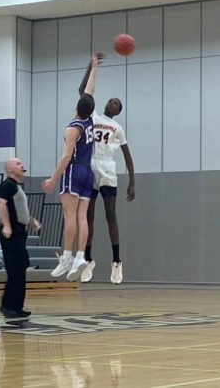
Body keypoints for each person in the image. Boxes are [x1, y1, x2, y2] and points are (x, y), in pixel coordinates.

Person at [77, 53, 135, 284]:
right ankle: (89, 259)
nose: (110, 102)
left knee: (111, 215)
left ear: (118, 110)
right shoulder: (92, 115)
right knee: (88, 216)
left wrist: (132, 181)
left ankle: (116, 261)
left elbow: (127, 156)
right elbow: (83, 92)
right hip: (91, 167)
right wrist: (90, 67)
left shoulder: (117, 128)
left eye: (115, 102)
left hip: (108, 171)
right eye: (110, 100)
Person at [42, 95, 95, 281]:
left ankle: (66, 257)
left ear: (76, 107)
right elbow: (89, 93)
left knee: (69, 216)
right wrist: (94, 67)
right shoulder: (90, 121)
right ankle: (80, 256)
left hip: (74, 171)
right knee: (82, 217)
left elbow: (66, 157)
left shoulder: (72, 129)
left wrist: (53, 179)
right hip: (89, 172)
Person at [0, 157, 41, 318]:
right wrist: (7, 225)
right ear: (9, 169)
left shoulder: (16, 187)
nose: (22, 165)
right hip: (12, 232)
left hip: (20, 230)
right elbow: (1, 204)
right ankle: (8, 306)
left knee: (20, 269)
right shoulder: (6, 184)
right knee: (14, 270)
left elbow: (19, 210)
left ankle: (17, 306)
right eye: (18, 163)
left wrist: (31, 221)